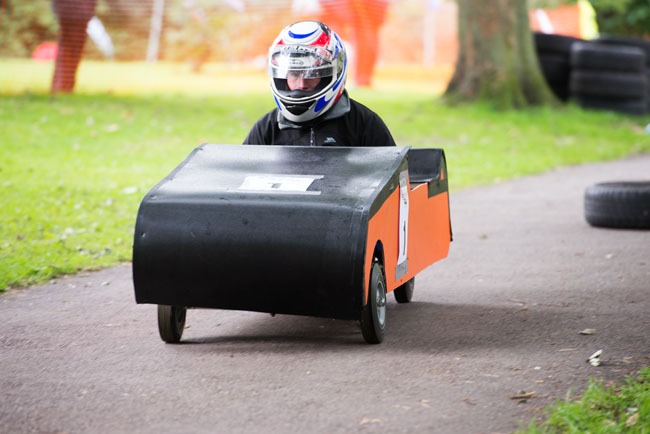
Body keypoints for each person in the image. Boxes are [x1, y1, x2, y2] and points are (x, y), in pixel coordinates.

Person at [243, 20, 396, 147]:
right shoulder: (267, 128)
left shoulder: (363, 124)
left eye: (312, 74)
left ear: (331, 75)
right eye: (294, 74)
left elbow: (394, 178)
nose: (301, 84)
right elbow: (241, 179)